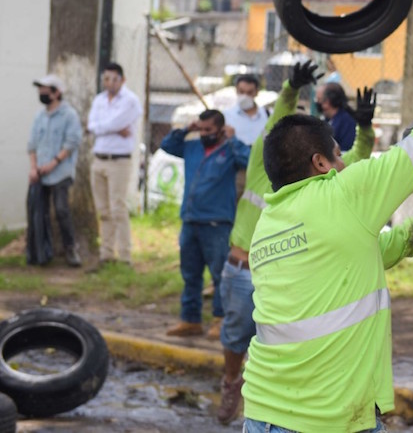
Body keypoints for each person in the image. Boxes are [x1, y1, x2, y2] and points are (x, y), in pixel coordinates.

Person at [241, 78, 413, 433]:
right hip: (326, 419)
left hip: (264, 414)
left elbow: (356, 255)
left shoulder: (269, 224)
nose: (344, 162)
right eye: (338, 154)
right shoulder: (342, 193)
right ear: (320, 163)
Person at [217, 61, 353, 423]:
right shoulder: (264, 167)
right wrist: (290, 87)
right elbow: (275, 121)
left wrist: (366, 129)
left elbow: (352, 162)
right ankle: (232, 381)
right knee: (234, 338)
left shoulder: (312, 186)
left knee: (275, 345)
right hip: (240, 269)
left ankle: (268, 403)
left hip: (280, 275)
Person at [159, 109, 250, 339]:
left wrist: (233, 139)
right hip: (190, 220)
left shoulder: (229, 150)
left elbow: (248, 159)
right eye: (202, 129)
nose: (204, 133)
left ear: (220, 129)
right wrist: (187, 129)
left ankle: (220, 319)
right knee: (190, 273)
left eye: (209, 130)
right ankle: (190, 320)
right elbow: (167, 145)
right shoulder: (192, 147)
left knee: (220, 274)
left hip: (216, 223)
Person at [87, 62, 143, 266]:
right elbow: (92, 125)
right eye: (106, 79)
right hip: (99, 159)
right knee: (103, 210)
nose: (109, 83)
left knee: (118, 208)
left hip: (119, 160)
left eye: (113, 79)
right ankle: (106, 254)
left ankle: (125, 255)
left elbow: (111, 124)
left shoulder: (131, 101)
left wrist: (105, 127)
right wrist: (110, 128)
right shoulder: (99, 100)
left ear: (122, 80)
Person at [26, 74, 83, 267]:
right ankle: (39, 252)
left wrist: (53, 163)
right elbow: (32, 145)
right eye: (40, 90)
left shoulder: (69, 115)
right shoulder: (39, 116)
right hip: (40, 173)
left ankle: (70, 249)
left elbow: (72, 142)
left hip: (60, 172)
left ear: (57, 93)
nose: (42, 93)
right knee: (37, 213)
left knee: (61, 209)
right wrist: (34, 168)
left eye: (45, 90)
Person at [222, 74, 268, 146]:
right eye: (241, 92)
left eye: (249, 92)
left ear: (256, 92)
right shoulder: (226, 116)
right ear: (236, 91)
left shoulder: (268, 115)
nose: (245, 96)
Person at [315, 81, 357, 151]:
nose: (316, 102)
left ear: (327, 102)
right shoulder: (328, 119)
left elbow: (346, 149)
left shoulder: (347, 121)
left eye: (318, 99)